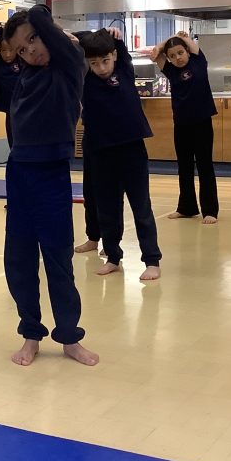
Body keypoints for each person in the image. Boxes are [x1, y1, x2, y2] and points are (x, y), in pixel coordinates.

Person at [1, 4, 98, 368]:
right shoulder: (24, 76)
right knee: (19, 261)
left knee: (58, 260)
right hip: (19, 174)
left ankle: (70, 337)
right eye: (22, 49)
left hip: (52, 175)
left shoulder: (67, 66)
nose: (31, 51)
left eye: (34, 40)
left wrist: (43, 25)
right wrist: (23, 38)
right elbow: (4, 46)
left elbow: (41, 16)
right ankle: (31, 333)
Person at [77, 29, 162, 281]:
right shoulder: (85, 80)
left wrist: (112, 36)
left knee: (141, 207)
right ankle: (113, 257)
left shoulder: (123, 70)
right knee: (107, 209)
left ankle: (152, 260)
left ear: (114, 56)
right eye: (94, 63)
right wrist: (81, 39)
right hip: (101, 151)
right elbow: (71, 47)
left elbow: (120, 50)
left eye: (105, 61)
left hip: (131, 149)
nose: (101, 68)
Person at [150, 31, 219, 224]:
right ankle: (187, 208)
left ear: (187, 51)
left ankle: (210, 211)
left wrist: (182, 38)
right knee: (184, 166)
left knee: (205, 166)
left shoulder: (198, 62)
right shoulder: (171, 71)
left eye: (180, 53)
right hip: (181, 125)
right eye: (172, 56)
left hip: (202, 123)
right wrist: (166, 41)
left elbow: (192, 46)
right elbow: (155, 54)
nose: (177, 58)